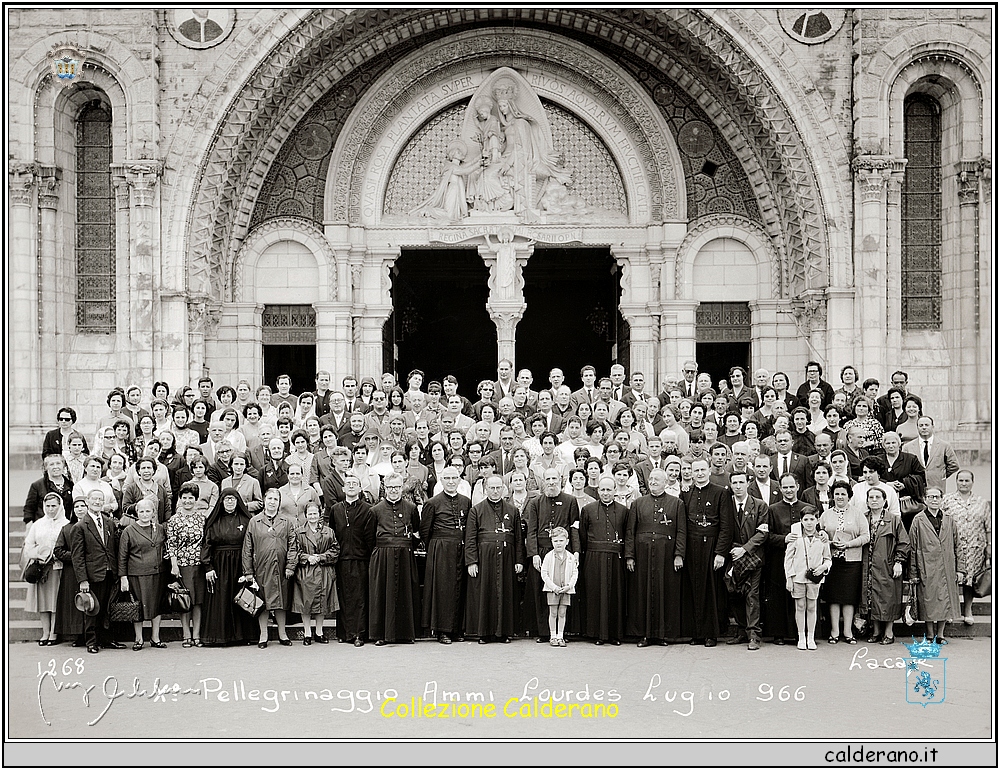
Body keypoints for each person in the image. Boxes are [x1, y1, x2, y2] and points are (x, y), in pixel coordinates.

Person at [625, 469, 686, 646]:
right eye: (650, 479)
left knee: (664, 592)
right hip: (642, 554)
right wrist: (630, 556)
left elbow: (681, 531)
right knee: (642, 592)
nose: (652, 482)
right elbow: (630, 532)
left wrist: (679, 555)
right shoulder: (638, 503)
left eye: (657, 479)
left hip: (666, 555)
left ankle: (661, 635)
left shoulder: (677, 504)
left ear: (665, 482)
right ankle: (643, 634)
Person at [464, 474, 524, 643]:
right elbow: (470, 538)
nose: (495, 491)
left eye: (499, 488)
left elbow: (518, 538)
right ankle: (485, 633)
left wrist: (519, 560)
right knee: (485, 593)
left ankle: (504, 633)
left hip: (507, 558)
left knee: (505, 593)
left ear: (504, 489)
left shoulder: (513, 510)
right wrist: (471, 561)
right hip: (484, 559)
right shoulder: (476, 510)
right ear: (485, 489)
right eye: (492, 488)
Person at [681, 458, 733, 646]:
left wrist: (720, 553)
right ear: (691, 473)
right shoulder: (686, 494)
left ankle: (711, 633)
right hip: (692, 546)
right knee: (693, 589)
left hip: (712, 547)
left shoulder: (720, 493)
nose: (700, 473)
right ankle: (696, 633)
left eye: (703, 470)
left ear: (709, 471)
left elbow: (726, 526)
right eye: (696, 471)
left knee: (712, 591)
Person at [525, 468, 581, 642]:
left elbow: (574, 528)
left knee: (564, 591)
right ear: (543, 481)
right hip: (541, 553)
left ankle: (562, 632)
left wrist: (576, 551)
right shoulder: (535, 503)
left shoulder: (570, 501)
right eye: (548, 478)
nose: (551, 482)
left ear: (560, 480)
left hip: (563, 552)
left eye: (554, 478)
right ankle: (543, 632)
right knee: (542, 592)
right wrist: (534, 554)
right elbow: (531, 530)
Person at [764, 474, 819, 645]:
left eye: (791, 486)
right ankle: (779, 633)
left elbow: (818, 530)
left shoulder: (808, 508)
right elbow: (768, 536)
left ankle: (800, 634)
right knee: (781, 595)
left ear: (798, 486)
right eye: (785, 487)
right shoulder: (773, 509)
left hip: (805, 560)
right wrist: (783, 539)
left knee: (804, 600)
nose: (788, 490)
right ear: (780, 488)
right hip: (780, 557)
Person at [368, 473, 421, 645]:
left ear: (401, 488)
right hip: (383, 556)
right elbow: (369, 537)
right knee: (383, 594)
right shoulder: (375, 510)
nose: (393, 491)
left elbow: (415, 531)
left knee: (405, 592)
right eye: (390, 487)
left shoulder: (411, 508)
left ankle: (406, 634)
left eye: (397, 487)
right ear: (385, 488)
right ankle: (382, 635)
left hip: (405, 555)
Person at [242, 487, 298, 648]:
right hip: (261, 568)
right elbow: (247, 547)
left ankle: (282, 633)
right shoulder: (255, 521)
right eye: (270, 499)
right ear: (264, 501)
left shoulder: (287, 522)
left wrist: (290, 566)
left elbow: (293, 545)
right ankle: (263, 634)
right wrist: (248, 571)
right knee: (263, 601)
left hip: (281, 568)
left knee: (281, 600)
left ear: (279, 503)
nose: (272, 502)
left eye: (275, 499)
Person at [420, 467, 470, 644]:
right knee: (443, 590)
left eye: (454, 478)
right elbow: (425, 531)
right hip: (440, 549)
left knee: (459, 587)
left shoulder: (466, 501)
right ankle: (442, 630)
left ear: (459, 480)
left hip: (460, 548)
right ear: (441, 480)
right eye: (447, 478)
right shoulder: (432, 503)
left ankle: (457, 629)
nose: (450, 481)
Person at [70, 489, 125, 653]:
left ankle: (107, 639)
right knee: (92, 609)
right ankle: (92, 642)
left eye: (100, 499)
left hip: (109, 572)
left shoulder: (108, 522)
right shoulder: (80, 526)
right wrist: (83, 580)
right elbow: (77, 557)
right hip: (92, 574)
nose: (97, 502)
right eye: (94, 499)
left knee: (107, 608)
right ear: (87, 501)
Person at [908, 487, 961, 645]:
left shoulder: (949, 519)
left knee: (944, 600)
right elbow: (912, 547)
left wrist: (960, 569)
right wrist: (913, 572)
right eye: (930, 497)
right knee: (929, 601)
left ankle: (941, 634)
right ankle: (930, 634)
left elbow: (957, 545)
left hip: (946, 566)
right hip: (926, 566)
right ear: (925, 499)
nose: (934, 500)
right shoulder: (918, 520)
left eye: (937, 497)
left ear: (942, 499)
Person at [819, 481, 869, 644]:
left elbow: (866, 536)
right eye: (837, 493)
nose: (840, 497)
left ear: (849, 496)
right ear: (832, 495)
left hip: (852, 561)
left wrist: (848, 544)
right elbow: (819, 531)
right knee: (833, 597)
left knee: (848, 597)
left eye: (843, 494)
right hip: (832, 561)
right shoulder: (826, 514)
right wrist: (826, 538)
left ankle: (848, 632)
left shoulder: (857, 514)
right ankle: (834, 631)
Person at [579, 477, 627, 645]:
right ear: (598, 491)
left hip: (615, 558)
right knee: (595, 595)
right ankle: (597, 634)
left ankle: (614, 635)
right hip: (594, 557)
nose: (605, 493)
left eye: (609, 490)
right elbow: (583, 535)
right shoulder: (588, 509)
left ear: (615, 490)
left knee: (615, 595)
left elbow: (626, 535)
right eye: (602, 490)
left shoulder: (623, 511)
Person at [726, 470, 769, 650]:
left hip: (753, 557)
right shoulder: (726, 504)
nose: (737, 486)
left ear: (747, 483)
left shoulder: (759, 505)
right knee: (733, 591)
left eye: (741, 483)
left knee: (752, 594)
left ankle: (754, 635)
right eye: (734, 483)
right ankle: (742, 630)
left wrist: (744, 549)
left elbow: (763, 533)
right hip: (732, 556)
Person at [860, 487, 909, 645]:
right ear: (867, 501)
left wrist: (898, 562)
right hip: (867, 566)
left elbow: (904, 542)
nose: (874, 500)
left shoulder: (893, 520)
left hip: (887, 565)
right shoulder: (862, 518)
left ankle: (889, 633)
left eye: (877, 497)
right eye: (871, 497)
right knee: (871, 598)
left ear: (884, 500)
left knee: (888, 598)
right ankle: (876, 631)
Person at [330, 474, 376, 646]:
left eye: (354, 484)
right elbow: (332, 534)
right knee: (344, 596)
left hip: (361, 558)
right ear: (343, 488)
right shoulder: (336, 509)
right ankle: (345, 632)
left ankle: (359, 634)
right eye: (347, 483)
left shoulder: (368, 509)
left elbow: (371, 537)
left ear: (359, 488)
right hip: (341, 559)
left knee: (359, 598)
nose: (350, 486)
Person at [118, 497, 169, 650]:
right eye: (141, 511)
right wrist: (123, 577)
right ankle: (139, 639)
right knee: (138, 606)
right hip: (138, 574)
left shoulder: (159, 528)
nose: (145, 514)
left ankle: (155, 637)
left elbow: (166, 546)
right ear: (136, 513)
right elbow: (122, 556)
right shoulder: (129, 531)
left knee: (157, 606)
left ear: (153, 513)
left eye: (148, 511)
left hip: (158, 573)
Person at [943, 470, 991, 626]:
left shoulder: (981, 502)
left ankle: (968, 610)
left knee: (970, 579)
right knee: (952, 577)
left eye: (967, 480)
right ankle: (949, 610)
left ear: (972, 482)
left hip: (975, 547)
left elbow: (988, 526)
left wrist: (990, 546)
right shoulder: (947, 500)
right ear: (956, 482)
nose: (963, 483)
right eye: (960, 480)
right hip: (953, 546)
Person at [22, 492, 69, 645]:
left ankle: (54, 633)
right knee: (43, 602)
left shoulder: (65, 524)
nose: (50, 509)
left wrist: (56, 555)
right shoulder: (38, 524)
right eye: (47, 506)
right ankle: (45, 632)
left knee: (54, 602)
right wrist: (38, 555)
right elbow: (28, 545)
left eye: (54, 506)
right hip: (41, 567)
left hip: (57, 567)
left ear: (60, 506)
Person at [783, 508, 832, 650]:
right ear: (801, 521)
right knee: (800, 606)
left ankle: (811, 637)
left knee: (812, 606)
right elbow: (788, 559)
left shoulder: (822, 538)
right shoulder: (796, 538)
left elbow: (828, 559)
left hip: (814, 579)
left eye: (812, 519)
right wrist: (789, 578)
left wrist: (823, 568)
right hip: (798, 577)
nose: (809, 523)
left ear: (817, 521)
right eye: (806, 520)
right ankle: (801, 637)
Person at [167, 483, 208, 647]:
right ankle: (186, 635)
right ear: (180, 499)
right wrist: (174, 565)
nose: (188, 501)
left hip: (199, 564)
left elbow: (206, 542)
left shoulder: (202, 518)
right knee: (184, 601)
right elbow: (171, 544)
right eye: (184, 498)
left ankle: (197, 635)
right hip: (182, 565)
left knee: (197, 601)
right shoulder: (174, 520)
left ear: (196, 500)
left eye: (191, 498)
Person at [293, 502, 340, 645]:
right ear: (305, 515)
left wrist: (321, 557)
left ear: (319, 514)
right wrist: (307, 558)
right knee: (305, 603)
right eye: (310, 514)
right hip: (306, 572)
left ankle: (319, 632)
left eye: (315, 513)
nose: (312, 516)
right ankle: (307, 633)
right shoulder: (299, 532)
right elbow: (295, 551)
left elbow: (335, 550)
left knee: (322, 602)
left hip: (324, 570)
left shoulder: (328, 531)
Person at [53, 499, 89, 646]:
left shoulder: (92, 526)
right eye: (77, 507)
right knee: (76, 602)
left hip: (91, 569)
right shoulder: (67, 529)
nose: (80, 509)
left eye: (83, 506)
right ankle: (78, 634)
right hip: (72, 571)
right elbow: (58, 550)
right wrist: (76, 556)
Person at [540, 527, 578, 647]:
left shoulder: (571, 557)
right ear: (552, 542)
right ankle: (553, 636)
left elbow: (574, 573)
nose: (558, 543)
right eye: (555, 541)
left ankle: (560, 636)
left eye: (561, 541)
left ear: (567, 541)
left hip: (565, 589)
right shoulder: (548, 556)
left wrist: (569, 586)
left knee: (562, 612)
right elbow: (544, 573)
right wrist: (553, 587)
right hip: (553, 589)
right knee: (553, 612)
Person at [904, 416, 959, 494]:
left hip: (937, 486)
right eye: (921, 425)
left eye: (927, 425)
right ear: (917, 427)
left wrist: (941, 475)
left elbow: (954, 465)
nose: (924, 428)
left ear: (933, 427)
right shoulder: (908, 447)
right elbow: (904, 468)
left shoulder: (944, 445)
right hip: (916, 488)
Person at [24, 454, 76, 527]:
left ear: (63, 466)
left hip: (65, 527)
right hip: (43, 527)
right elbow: (29, 509)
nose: (55, 467)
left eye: (58, 463)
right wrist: (29, 526)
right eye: (51, 464)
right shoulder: (37, 485)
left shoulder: (71, 485)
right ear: (46, 467)